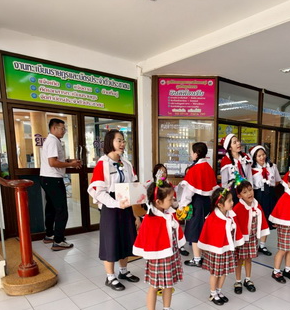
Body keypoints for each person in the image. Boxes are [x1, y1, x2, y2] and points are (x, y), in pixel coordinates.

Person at [88, 129, 140, 291]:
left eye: (123, 140)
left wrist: (135, 213)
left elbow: (132, 187)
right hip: (111, 208)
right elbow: (99, 192)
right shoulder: (103, 164)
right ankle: (110, 276)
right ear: (110, 142)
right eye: (119, 140)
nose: (122, 143)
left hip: (126, 206)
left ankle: (123, 271)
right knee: (110, 240)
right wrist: (116, 204)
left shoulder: (127, 164)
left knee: (126, 238)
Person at [132, 180, 184, 310]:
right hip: (157, 257)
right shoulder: (150, 219)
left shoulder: (169, 213)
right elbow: (147, 239)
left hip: (171, 254)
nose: (173, 201)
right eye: (170, 199)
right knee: (154, 286)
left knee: (169, 284)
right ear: (158, 202)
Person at [39, 118, 82, 250]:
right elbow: (53, 162)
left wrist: (69, 161)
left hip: (47, 178)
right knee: (61, 210)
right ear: (53, 128)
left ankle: (49, 235)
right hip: (53, 179)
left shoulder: (51, 140)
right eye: (62, 128)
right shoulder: (53, 141)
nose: (64, 131)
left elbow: (56, 160)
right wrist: (70, 165)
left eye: (64, 128)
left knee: (51, 208)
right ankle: (58, 240)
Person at [198, 186, 243, 305]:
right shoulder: (212, 218)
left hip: (227, 249)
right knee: (215, 273)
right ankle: (213, 294)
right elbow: (208, 234)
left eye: (232, 200)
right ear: (220, 205)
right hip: (216, 251)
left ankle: (219, 291)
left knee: (224, 272)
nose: (232, 203)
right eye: (229, 201)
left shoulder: (231, 215)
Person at [178, 142, 219, 267]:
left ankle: (197, 259)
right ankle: (205, 257)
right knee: (204, 230)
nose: (191, 154)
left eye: (192, 152)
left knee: (194, 231)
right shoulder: (209, 168)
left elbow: (187, 193)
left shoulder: (194, 169)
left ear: (196, 153)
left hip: (196, 203)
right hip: (207, 203)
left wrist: (182, 206)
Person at [232, 179, 270, 293]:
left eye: (250, 190)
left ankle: (248, 279)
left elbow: (262, 220)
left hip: (252, 238)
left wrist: (261, 234)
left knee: (249, 259)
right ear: (239, 196)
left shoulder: (257, 205)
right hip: (241, 240)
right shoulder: (238, 208)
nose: (249, 193)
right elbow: (234, 224)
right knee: (239, 260)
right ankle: (238, 281)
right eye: (245, 192)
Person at [145, 164, 188, 256]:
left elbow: (174, 198)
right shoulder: (151, 185)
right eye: (161, 171)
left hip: (169, 210)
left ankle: (179, 245)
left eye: (165, 172)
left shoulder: (169, 184)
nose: (163, 174)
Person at [249, 145, 281, 256]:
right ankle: (253, 245)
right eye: (259, 156)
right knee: (256, 220)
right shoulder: (251, 169)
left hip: (270, 195)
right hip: (258, 195)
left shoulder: (272, 166)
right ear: (255, 158)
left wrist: (270, 185)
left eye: (263, 154)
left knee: (266, 220)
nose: (262, 157)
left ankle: (262, 245)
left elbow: (277, 180)